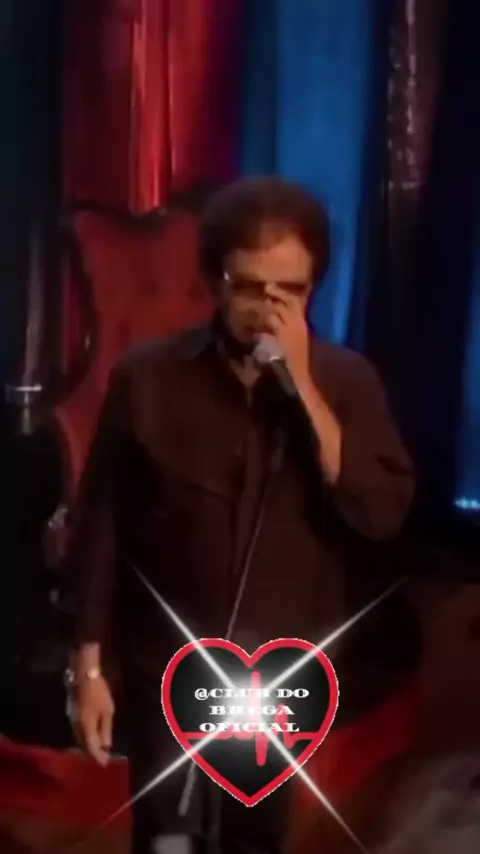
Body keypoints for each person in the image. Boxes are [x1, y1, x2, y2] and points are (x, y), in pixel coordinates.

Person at [66, 177, 416, 854]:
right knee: (166, 838)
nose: (268, 310)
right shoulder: (147, 377)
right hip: (166, 660)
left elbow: (380, 513)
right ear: (214, 281)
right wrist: (87, 670)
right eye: (251, 287)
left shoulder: (348, 383)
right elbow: (100, 524)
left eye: (290, 291)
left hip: (284, 671)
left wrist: (304, 386)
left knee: (257, 836)